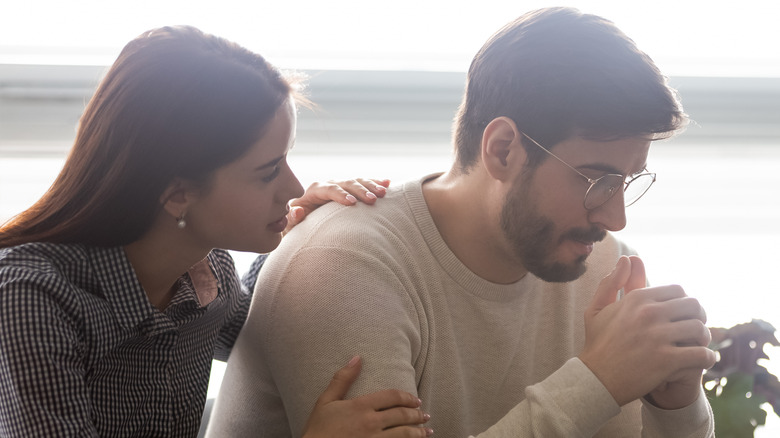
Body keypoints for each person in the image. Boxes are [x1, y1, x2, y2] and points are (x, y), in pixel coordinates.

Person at [207, 7, 717, 438]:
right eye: (594, 180)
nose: (614, 216)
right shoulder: (343, 267)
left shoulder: (602, 264)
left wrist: (677, 407)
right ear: (502, 149)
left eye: (627, 181)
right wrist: (597, 382)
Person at [0, 26, 433, 437]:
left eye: (286, 159)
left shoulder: (209, 275)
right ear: (177, 194)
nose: (296, 186)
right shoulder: (33, 300)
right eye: (267, 172)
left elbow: (260, 333)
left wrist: (304, 231)